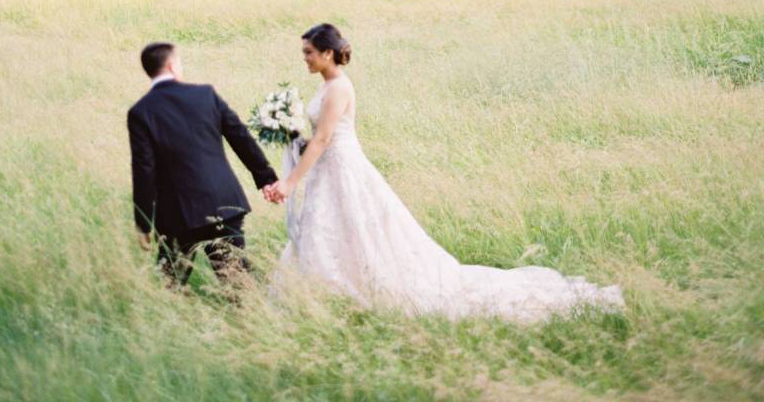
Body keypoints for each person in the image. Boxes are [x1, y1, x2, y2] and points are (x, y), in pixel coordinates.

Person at [268, 24, 624, 323]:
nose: (305, 59)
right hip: (329, 170)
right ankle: (328, 291)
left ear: (328, 54)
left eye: (309, 52)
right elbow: (315, 137)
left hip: (342, 167)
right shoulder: (326, 85)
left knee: (357, 227)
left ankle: (358, 288)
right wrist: (293, 131)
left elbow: (325, 139)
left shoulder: (339, 88)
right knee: (333, 227)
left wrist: (290, 181)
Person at [127, 42, 279, 287]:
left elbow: (143, 170)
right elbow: (240, 137)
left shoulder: (141, 112)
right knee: (238, 284)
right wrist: (266, 178)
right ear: (172, 65)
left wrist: (143, 222)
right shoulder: (205, 95)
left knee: (170, 286)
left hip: (177, 213)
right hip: (223, 203)